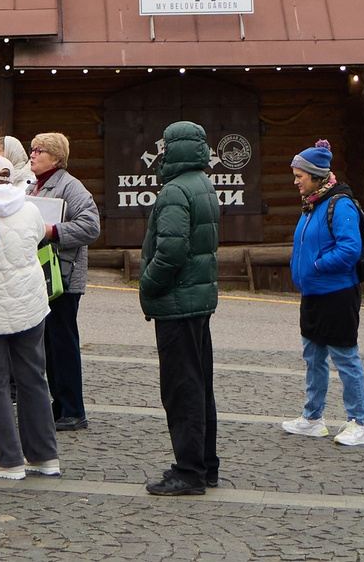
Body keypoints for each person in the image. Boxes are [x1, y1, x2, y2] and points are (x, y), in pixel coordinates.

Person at [140, 119, 221, 497]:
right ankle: (205, 465)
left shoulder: (174, 191)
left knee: (182, 388)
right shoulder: (202, 184)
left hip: (177, 302)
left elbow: (171, 250)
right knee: (200, 384)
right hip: (197, 300)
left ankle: (188, 470)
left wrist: (148, 283)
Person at [0, 153, 61, 480]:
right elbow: (38, 238)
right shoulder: (30, 208)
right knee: (34, 377)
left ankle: (9, 458)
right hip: (30, 304)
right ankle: (44, 456)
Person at [280, 140, 364, 448]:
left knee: (345, 358)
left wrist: (317, 266)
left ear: (316, 176)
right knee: (313, 357)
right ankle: (313, 419)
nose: (295, 181)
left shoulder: (339, 204)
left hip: (337, 295)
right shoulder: (313, 203)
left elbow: (350, 249)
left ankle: (359, 423)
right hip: (314, 295)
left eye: (299, 176)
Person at [25, 130, 101, 432]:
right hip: (43, 276)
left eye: (39, 150)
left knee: (63, 345)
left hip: (64, 279)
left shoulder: (72, 187)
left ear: (56, 157)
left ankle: (73, 410)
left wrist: (52, 231)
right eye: (32, 149)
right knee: (50, 346)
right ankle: (60, 407)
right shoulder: (34, 186)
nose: (32, 154)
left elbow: (91, 226)